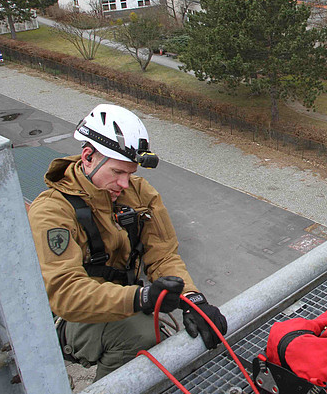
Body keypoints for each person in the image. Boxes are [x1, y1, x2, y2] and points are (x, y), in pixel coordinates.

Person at [28, 104, 227, 379]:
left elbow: (163, 255)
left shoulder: (138, 194)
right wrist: (142, 297)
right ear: (88, 157)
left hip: (124, 301)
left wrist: (193, 300)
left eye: (129, 173)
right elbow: (66, 293)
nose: (125, 183)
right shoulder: (52, 211)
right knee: (140, 336)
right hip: (67, 317)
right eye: (117, 172)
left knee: (158, 336)